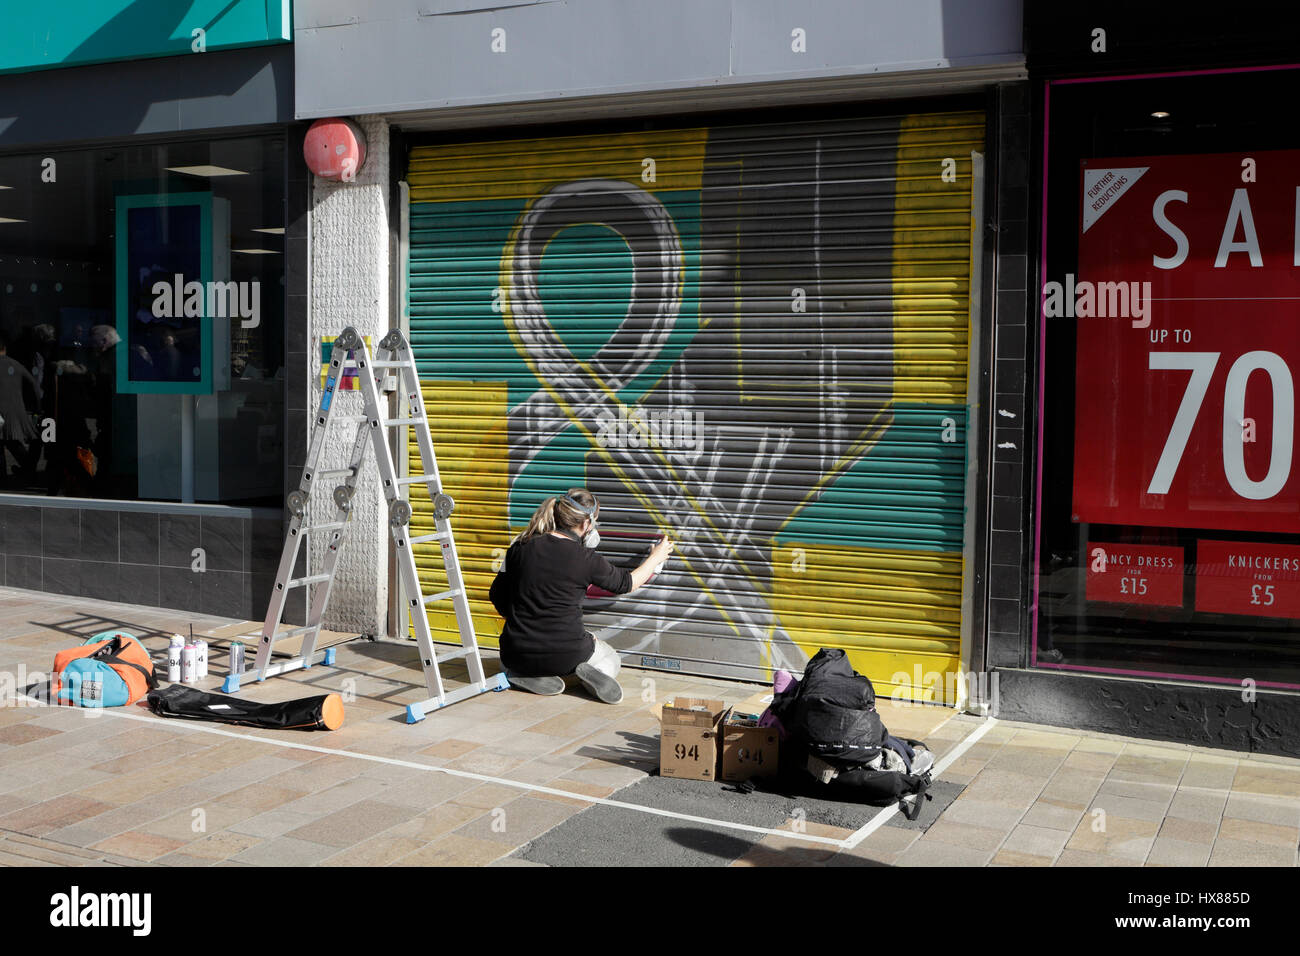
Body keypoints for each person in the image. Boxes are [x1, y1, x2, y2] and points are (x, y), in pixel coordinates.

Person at [489, 488, 673, 704]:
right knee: (610, 659)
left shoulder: (519, 547)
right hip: (567, 654)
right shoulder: (586, 558)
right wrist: (655, 557)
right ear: (586, 524)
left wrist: (524, 624)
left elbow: (496, 595)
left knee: (510, 663)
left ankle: (523, 675)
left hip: (515, 652)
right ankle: (584, 675)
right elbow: (627, 583)